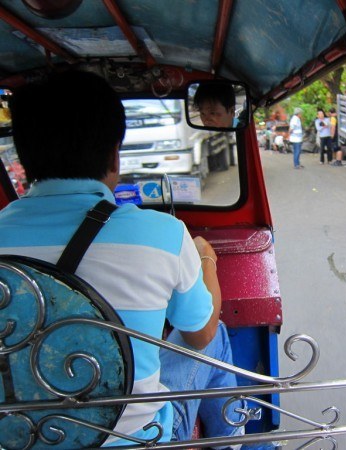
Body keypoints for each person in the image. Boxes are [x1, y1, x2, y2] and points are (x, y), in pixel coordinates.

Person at [0, 71, 253, 448]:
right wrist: (206, 260)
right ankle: (238, 444)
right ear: (114, 152)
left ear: (24, 154)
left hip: (21, 440)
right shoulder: (162, 233)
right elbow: (200, 335)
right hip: (136, 440)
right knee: (214, 337)